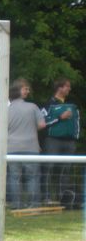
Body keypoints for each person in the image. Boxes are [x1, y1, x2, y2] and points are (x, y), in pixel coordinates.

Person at [41, 78, 80, 208]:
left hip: (69, 141)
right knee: (49, 167)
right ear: (59, 88)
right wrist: (59, 118)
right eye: (67, 86)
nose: (69, 89)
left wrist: (75, 137)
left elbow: (76, 122)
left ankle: (63, 198)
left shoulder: (71, 105)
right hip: (53, 140)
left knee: (65, 169)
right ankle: (46, 197)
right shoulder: (49, 104)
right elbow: (43, 123)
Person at [7, 78, 45, 209]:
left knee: (14, 177)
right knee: (32, 177)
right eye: (26, 89)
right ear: (18, 90)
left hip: (11, 148)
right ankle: (33, 204)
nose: (28, 91)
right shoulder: (32, 107)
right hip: (31, 147)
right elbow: (42, 124)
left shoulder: (6, 109)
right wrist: (30, 127)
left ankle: (16, 204)